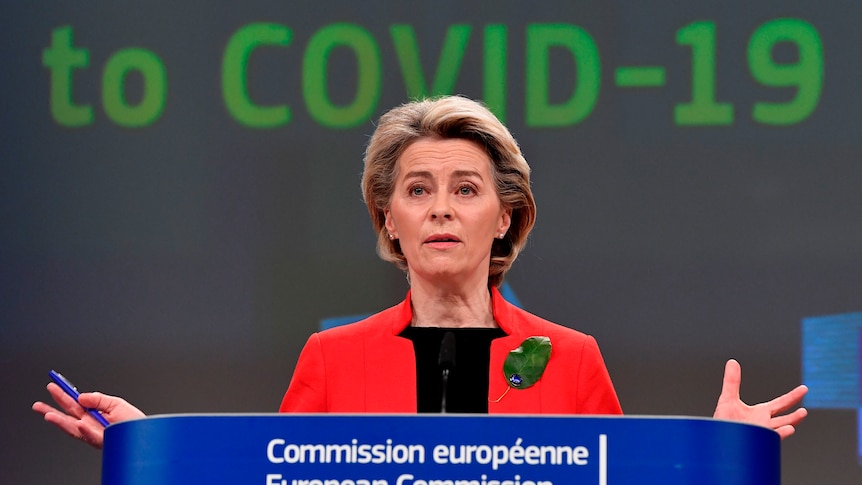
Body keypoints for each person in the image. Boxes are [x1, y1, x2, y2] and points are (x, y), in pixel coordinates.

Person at [32, 95, 809, 449]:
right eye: (417, 190)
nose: (441, 209)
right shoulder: (329, 359)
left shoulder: (572, 359)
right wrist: (151, 450)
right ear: (389, 221)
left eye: (466, 190)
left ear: (505, 216)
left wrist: (718, 455)